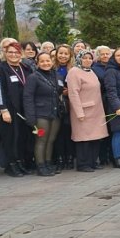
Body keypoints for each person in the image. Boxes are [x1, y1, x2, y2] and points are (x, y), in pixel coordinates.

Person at [0, 42, 33, 177]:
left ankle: (20, 162)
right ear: (5, 53)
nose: (13, 55)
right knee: (11, 138)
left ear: (21, 54)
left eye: (16, 52)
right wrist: (3, 109)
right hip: (9, 110)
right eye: (10, 52)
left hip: (23, 109)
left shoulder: (26, 68)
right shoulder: (1, 69)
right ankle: (11, 165)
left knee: (22, 137)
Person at [66, 50, 108, 172]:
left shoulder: (91, 71)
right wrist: (79, 112)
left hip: (96, 111)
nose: (88, 60)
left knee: (95, 138)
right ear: (79, 59)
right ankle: (82, 163)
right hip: (83, 111)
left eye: (90, 58)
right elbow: (73, 93)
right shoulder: (74, 72)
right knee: (83, 139)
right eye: (85, 58)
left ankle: (92, 161)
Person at [23, 52, 63, 176]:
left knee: (51, 140)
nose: (46, 63)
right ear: (37, 63)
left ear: (52, 62)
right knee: (41, 140)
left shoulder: (56, 75)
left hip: (54, 112)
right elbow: (27, 97)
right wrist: (30, 117)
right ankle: (40, 166)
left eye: (48, 61)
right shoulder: (33, 77)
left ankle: (48, 163)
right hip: (40, 114)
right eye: (42, 61)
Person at [52, 44, 74, 172]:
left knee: (69, 131)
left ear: (70, 56)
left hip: (70, 104)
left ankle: (70, 157)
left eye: (66, 54)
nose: (63, 56)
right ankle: (60, 158)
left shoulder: (73, 69)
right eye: (60, 53)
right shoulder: (52, 68)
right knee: (58, 133)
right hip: (56, 104)